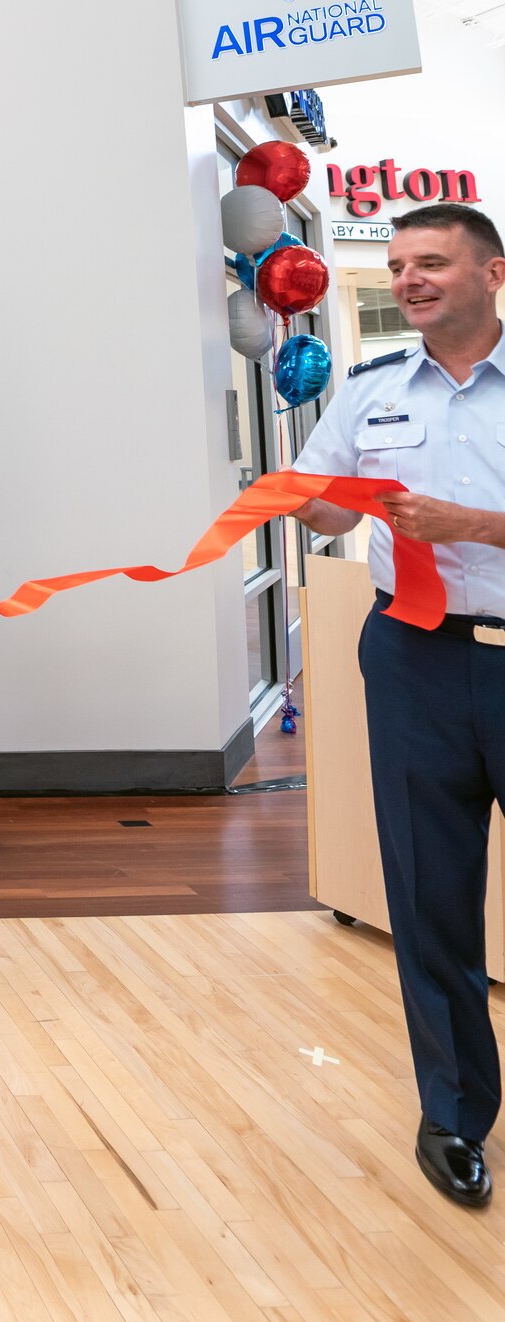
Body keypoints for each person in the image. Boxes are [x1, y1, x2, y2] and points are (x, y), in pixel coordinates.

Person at [290, 202, 505, 1208]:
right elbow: (328, 503)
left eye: (431, 262)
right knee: (427, 895)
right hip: (414, 657)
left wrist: (474, 524)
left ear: (490, 273)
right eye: (398, 266)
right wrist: (313, 498)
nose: (409, 279)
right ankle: (452, 1113)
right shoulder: (369, 389)